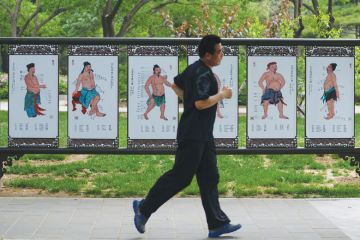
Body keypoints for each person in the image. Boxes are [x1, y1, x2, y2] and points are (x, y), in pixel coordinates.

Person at [133, 35, 241, 238]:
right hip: (193, 134)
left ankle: (217, 224)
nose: (222, 54)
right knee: (181, 177)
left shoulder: (194, 68)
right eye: (218, 51)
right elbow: (200, 104)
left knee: (210, 176)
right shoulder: (203, 74)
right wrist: (223, 95)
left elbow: (176, 86)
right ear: (207, 55)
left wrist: (190, 100)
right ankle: (143, 209)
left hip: (203, 134)